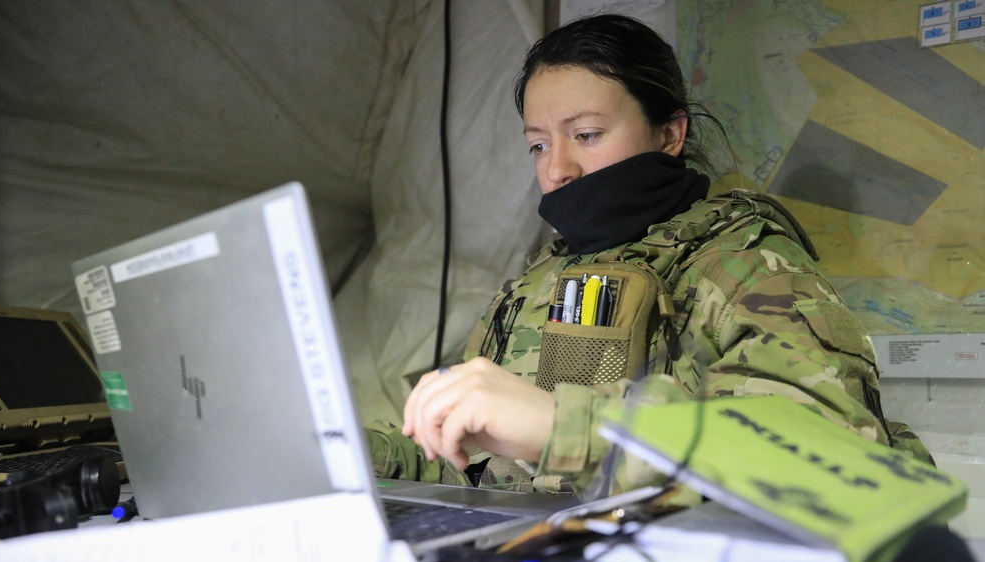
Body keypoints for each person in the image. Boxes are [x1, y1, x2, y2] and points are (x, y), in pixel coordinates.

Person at [368, 13, 931, 498]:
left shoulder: (744, 266)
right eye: (538, 144)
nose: (556, 168)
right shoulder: (535, 285)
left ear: (669, 134)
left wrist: (561, 429)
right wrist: (349, 452)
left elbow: (821, 462)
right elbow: (458, 464)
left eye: (586, 134)